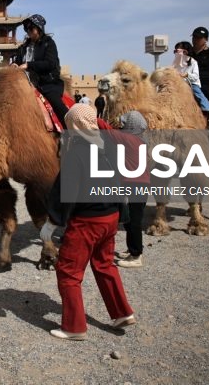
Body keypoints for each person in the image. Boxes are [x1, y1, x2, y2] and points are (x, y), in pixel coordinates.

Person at [43, 104, 135, 340]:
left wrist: (52, 221)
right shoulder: (110, 146)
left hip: (88, 222)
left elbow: (67, 189)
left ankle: (74, 327)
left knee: (68, 271)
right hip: (110, 218)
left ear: (76, 124)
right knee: (105, 265)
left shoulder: (78, 152)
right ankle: (121, 312)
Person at [102, 111, 150, 269]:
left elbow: (105, 128)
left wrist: (89, 115)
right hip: (140, 184)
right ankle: (132, 249)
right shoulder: (140, 140)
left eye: (124, 123)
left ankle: (136, 256)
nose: (121, 126)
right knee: (130, 219)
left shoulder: (127, 139)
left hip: (136, 185)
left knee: (135, 220)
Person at [11, 14, 69, 126]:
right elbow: (18, 62)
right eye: (26, 29)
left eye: (31, 28)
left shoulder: (49, 43)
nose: (28, 31)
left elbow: (50, 64)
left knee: (57, 104)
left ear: (39, 28)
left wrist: (29, 65)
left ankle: (72, 131)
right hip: (25, 83)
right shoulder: (23, 48)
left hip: (46, 83)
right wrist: (14, 65)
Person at [172, 41, 209, 134]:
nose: (175, 53)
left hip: (192, 84)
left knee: (197, 93)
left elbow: (195, 77)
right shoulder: (175, 63)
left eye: (177, 51)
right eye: (175, 51)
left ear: (185, 52)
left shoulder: (193, 62)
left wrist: (186, 74)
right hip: (178, 85)